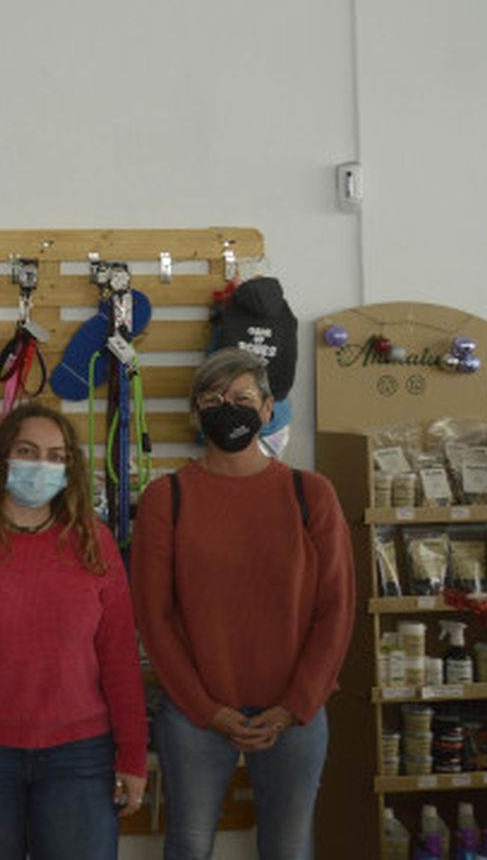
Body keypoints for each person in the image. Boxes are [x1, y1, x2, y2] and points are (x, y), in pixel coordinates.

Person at [131, 348, 354, 860]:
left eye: (241, 397)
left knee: (289, 849)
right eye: (212, 399)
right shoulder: (167, 498)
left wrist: (295, 705)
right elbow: (154, 616)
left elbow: (336, 609)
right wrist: (206, 709)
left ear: (268, 407)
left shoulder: (311, 493)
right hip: (196, 713)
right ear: (196, 413)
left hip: (294, 712)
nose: (226, 407)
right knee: (189, 846)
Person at [0, 404, 147, 860]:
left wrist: (133, 756)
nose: (41, 464)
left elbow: (119, 659)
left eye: (56, 456)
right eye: (27, 451)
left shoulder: (94, 541)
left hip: (80, 755)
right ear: (3, 457)